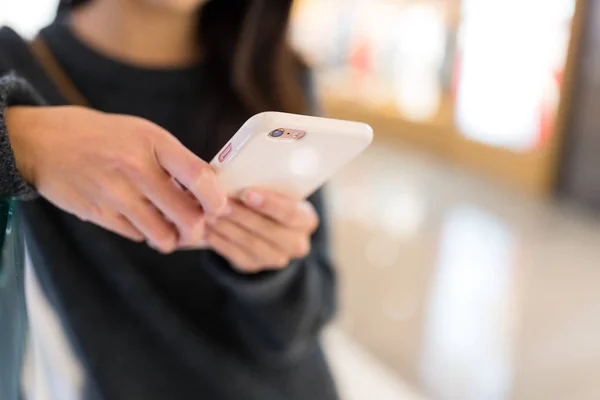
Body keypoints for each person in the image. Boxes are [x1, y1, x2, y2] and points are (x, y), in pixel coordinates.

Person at [0, 0, 338, 399]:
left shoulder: (272, 72)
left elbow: (304, 323)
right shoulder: (15, 69)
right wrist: (23, 136)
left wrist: (270, 271)